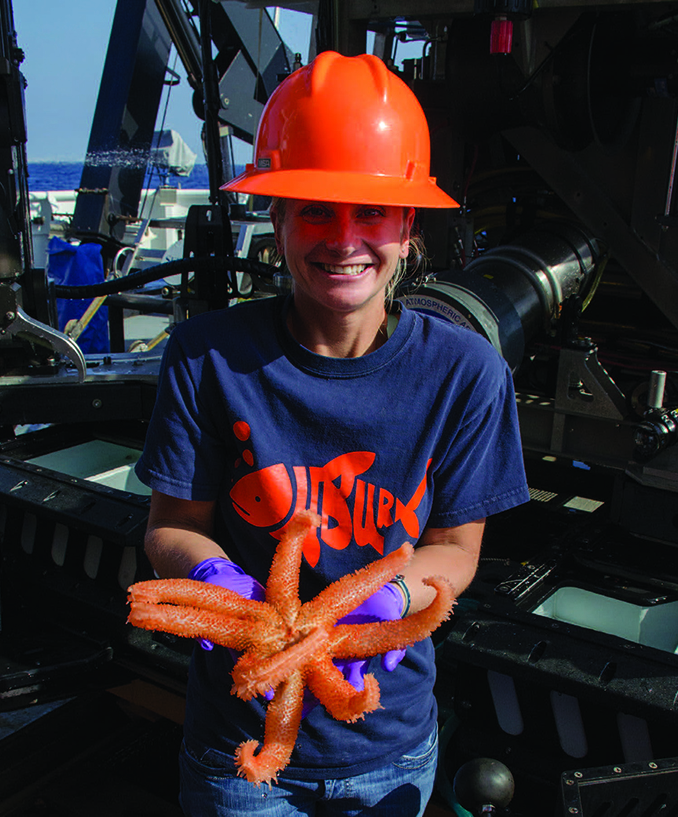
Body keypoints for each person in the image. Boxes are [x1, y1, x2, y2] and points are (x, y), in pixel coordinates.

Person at [135, 51, 529, 817]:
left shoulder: (468, 374)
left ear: (409, 224)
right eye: (314, 207)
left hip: (389, 741)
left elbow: (456, 549)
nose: (344, 238)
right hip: (236, 750)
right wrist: (220, 586)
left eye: (372, 210)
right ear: (276, 217)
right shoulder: (206, 355)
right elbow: (171, 530)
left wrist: (390, 598)